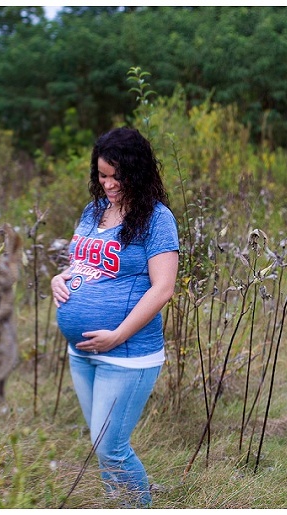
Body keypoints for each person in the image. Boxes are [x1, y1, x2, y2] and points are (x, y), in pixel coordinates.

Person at [51, 127, 179, 507]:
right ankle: (118, 504)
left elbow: (163, 288)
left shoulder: (157, 219)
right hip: (82, 352)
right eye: (102, 175)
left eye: (116, 176)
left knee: (112, 448)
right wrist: (60, 278)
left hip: (127, 354)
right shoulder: (94, 211)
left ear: (136, 171)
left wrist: (118, 335)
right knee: (101, 446)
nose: (108, 184)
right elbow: (83, 263)